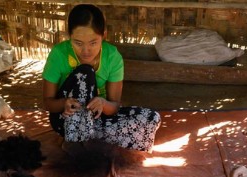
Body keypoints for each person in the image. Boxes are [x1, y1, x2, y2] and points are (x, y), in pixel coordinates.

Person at [42, 4, 161, 152]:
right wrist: (64, 103)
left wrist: (103, 104)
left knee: (151, 118)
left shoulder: (112, 57)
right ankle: (78, 141)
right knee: (85, 73)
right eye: (78, 43)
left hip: (98, 120)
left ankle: (88, 139)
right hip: (67, 120)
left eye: (93, 43)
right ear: (69, 36)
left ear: (104, 35)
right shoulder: (59, 54)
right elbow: (48, 103)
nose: (85, 51)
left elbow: (114, 107)